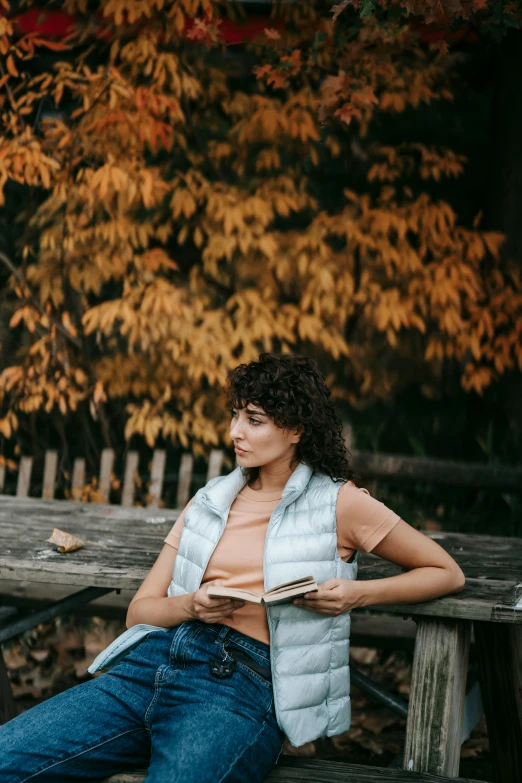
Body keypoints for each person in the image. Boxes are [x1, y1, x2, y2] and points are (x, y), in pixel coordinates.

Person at [0, 353, 465, 783]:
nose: (234, 432)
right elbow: (139, 613)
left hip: (238, 686)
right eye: (235, 415)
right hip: (151, 665)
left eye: (254, 420)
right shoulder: (209, 501)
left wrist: (356, 595)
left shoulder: (339, 503)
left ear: (297, 429)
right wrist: (191, 606)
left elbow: (445, 572)